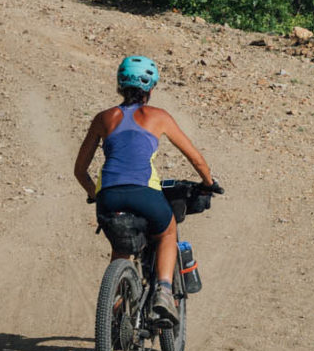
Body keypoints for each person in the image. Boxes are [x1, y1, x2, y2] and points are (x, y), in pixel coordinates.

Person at [73, 56, 217, 328]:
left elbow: (80, 169)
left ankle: (114, 314)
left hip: (109, 197)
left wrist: (94, 193)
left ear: (120, 85)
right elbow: (195, 159)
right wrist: (209, 182)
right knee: (167, 231)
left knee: (120, 248)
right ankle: (163, 291)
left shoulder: (103, 118)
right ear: (150, 88)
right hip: (144, 193)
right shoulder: (159, 117)